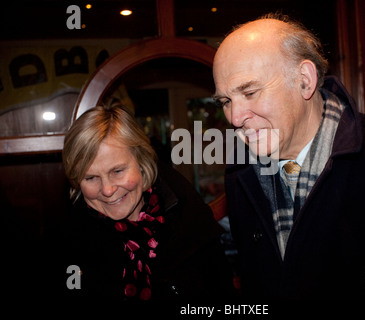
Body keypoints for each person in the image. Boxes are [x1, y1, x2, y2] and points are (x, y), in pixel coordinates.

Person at [213, 13, 365, 299]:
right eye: (226, 101)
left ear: (304, 80)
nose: (235, 117)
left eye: (250, 92)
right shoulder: (241, 176)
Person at [42, 104, 234, 301]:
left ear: (142, 164)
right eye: (91, 178)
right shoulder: (67, 245)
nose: (107, 190)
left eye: (117, 171)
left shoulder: (189, 218)